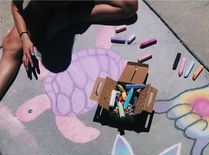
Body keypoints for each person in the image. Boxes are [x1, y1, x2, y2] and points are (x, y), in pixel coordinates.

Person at [0, 0, 138, 100]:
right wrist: (24, 37)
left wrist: (71, 17)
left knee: (129, 7)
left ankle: (68, 17)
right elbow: (16, 6)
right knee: (11, 47)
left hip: (78, 4)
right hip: (43, 7)